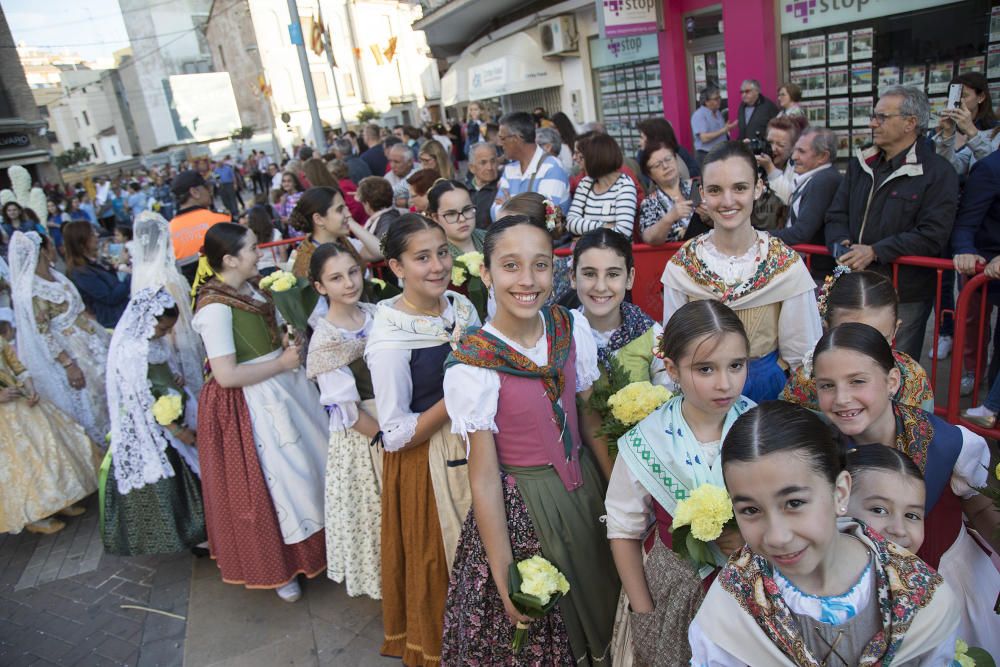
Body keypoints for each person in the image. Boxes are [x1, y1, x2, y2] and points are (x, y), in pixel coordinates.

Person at [440, 214, 617, 664]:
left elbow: (590, 416)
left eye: (540, 265)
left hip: (590, 491)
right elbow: (483, 480)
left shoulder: (569, 328)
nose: (527, 280)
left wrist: (618, 491)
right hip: (529, 511)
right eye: (510, 265)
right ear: (486, 273)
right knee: (555, 633)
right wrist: (505, 580)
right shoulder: (474, 366)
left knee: (610, 599)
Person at [688, 401, 961, 666]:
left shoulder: (924, 599)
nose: (777, 536)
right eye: (750, 510)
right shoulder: (730, 611)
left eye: (794, 503)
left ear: (840, 492)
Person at [812, 324, 1000, 655]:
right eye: (828, 385)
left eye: (858, 381)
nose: (842, 399)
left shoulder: (949, 445)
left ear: (892, 381)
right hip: (860, 601)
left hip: (951, 586)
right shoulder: (820, 457)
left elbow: (981, 507)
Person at [606, 300, 754, 665]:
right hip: (672, 591)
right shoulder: (648, 441)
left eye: (736, 366)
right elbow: (624, 530)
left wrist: (749, 537)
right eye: (705, 369)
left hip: (752, 584)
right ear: (671, 369)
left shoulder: (759, 428)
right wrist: (644, 612)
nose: (725, 383)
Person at [192, 223, 329, 602]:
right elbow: (226, 374)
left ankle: (326, 548)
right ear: (230, 259)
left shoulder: (248, 289)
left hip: (284, 387)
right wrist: (282, 363)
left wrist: (285, 345)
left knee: (311, 466)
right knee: (278, 483)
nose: (260, 254)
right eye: (253, 248)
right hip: (254, 402)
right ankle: (281, 568)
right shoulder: (215, 308)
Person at [365, 214, 479, 665]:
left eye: (443, 253)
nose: (437, 266)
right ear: (396, 266)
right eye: (422, 258)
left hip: (477, 443)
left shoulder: (460, 307)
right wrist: (455, 397)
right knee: (441, 563)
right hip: (429, 464)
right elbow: (393, 434)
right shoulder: (390, 339)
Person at [662, 142, 822, 402]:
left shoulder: (784, 264)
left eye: (739, 188)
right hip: (702, 390)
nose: (727, 201)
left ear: (758, 188)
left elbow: (802, 350)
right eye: (715, 190)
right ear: (702, 192)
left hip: (766, 390)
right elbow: (674, 343)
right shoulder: (682, 265)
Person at [825, 85, 959, 361]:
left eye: (882, 117)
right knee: (850, 361)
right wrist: (841, 243)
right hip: (854, 286)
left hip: (904, 295)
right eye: (874, 116)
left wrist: (875, 251)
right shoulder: (861, 163)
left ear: (911, 123)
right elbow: (836, 214)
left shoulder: (937, 172)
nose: (873, 123)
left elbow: (933, 234)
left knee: (894, 366)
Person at [102, 288, 206, 556]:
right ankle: (190, 533)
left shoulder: (153, 341)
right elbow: (140, 395)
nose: (165, 334)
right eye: (162, 329)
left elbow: (160, 372)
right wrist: (173, 428)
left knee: (193, 472)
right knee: (175, 480)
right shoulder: (130, 349)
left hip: (173, 409)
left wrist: (174, 379)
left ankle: (204, 528)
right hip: (155, 423)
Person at [306, 244, 382, 599]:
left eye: (353, 272)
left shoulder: (376, 313)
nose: (349, 283)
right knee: (376, 512)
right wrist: (389, 438)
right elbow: (349, 413)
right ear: (320, 287)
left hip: (398, 416)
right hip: (369, 435)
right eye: (336, 278)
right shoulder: (326, 340)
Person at [781, 269, 934, 413]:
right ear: (827, 330)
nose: (864, 352)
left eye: (878, 339)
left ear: (895, 330)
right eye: (849, 338)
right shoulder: (805, 382)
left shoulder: (913, 379)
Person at [8, 231, 111, 444]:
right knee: (92, 402)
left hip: (89, 339)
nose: (55, 250)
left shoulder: (57, 276)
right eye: (51, 247)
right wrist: (68, 365)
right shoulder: (32, 290)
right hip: (70, 349)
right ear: (43, 251)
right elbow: (43, 334)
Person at [0, 316, 96, 536]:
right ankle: (36, 515)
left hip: (21, 401)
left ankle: (61, 498)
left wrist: (30, 388)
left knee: (46, 447)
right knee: (20, 461)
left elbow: (16, 366)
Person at [572, 229, 668, 391]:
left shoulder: (652, 336)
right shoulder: (560, 334)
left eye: (613, 274)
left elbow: (669, 399)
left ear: (629, 278)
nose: (601, 287)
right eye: (589, 274)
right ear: (573, 278)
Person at [130, 211, 205, 395]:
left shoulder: (140, 273)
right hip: (178, 342)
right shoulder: (166, 275)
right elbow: (176, 319)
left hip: (158, 342)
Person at [771, 127, 842, 255]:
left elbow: (801, 233)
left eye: (801, 152)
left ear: (823, 156)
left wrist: (758, 236)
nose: (794, 157)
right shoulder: (817, 177)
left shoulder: (824, 181)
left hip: (815, 268)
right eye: (794, 150)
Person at [286, 186, 382, 279]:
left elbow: (380, 251)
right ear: (318, 219)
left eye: (346, 207)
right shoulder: (306, 261)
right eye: (340, 209)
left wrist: (350, 222)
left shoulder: (345, 242)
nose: (349, 214)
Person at [492, 111, 571, 219]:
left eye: (502, 138)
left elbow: (546, 217)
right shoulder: (509, 169)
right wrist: (522, 209)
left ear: (516, 139)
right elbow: (493, 212)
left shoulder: (552, 168)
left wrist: (509, 205)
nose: (500, 144)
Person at [566, 133, 638, 238]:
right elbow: (570, 223)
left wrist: (585, 226)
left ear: (596, 159)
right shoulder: (585, 183)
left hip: (615, 251)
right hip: (587, 250)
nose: (579, 160)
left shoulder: (624, 185)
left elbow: (623, 232)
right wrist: (605, 226)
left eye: (584, 156)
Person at [61, 221, 131, 328]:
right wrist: (131, 276)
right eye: (92, 234)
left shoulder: (92, 263)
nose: (97, 236)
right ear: (82, 242)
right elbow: (110, 297)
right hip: (115, 320)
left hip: (122, 314)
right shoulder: (81, 273)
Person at [638, 141, 706, 245]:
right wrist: (669, 218)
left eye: (668, 159)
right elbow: (648, 238)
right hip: (672, 258)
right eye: (657, 165)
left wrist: (710, 216)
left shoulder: (697, 187)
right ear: (649, 174)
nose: (665, 166)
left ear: (676, 159)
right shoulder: (650, 202)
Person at [168, 170, 231, 282]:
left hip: (193, 296)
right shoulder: (221, 219)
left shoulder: (168, 232)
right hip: (229, 289)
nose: (210, 192)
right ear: (194, 192)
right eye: (206, 187)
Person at [934, 72, 999, 179]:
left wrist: (972, 132)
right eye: (954, 97)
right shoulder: (949, 128)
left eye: (964, 96)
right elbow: (952, 168)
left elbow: (994, 166)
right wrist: (947, 136)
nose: (959, 101)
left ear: (981, 97)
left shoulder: (996, 131)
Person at [426, 179, 485, 257]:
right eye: (451, 214)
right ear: (436, 218)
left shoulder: (492, 239)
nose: (462, 219)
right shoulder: (436, 256)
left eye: (467, 209)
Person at [691, 85, 736, 165]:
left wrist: (727, 128)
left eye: (719, 98)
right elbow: (704, 138)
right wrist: (724, 130)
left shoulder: (717, 113)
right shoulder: (699, 115)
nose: (719, 101)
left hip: (720, 153)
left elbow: (719, 132)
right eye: (716, 99)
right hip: (706, 155)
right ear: (706, 102)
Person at [245, 205, 285, 276]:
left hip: (259, 269)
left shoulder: (249, 235)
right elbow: (283, 253)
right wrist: (283, 268)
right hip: (276, 267)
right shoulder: (275, 232)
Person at [467, 142, 499, 230]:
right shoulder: (464, 191)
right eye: (483, 163)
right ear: (472, 168)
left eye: (493, 161)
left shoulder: (502, 187)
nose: (490, 167)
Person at [736, 78, 780, 142]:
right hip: (744, 147)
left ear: (757, 91)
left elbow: (777, 128)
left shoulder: (768, 106)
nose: (743, 95)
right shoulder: (741, 106)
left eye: (747, 91)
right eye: (742, 92)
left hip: (761, 148)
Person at [326, 159, 368, 224]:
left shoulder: (343, 186)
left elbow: (356, 208)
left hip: (359, 223)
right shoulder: (346, 182)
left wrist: (347, 220)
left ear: (334, 174)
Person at [385, 144, 419, 210]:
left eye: (396, 162)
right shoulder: (388, 178)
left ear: (410, 162)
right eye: (390, 161)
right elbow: (384, 201)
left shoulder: (421, 171)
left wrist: (405, 203)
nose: (392, 165)